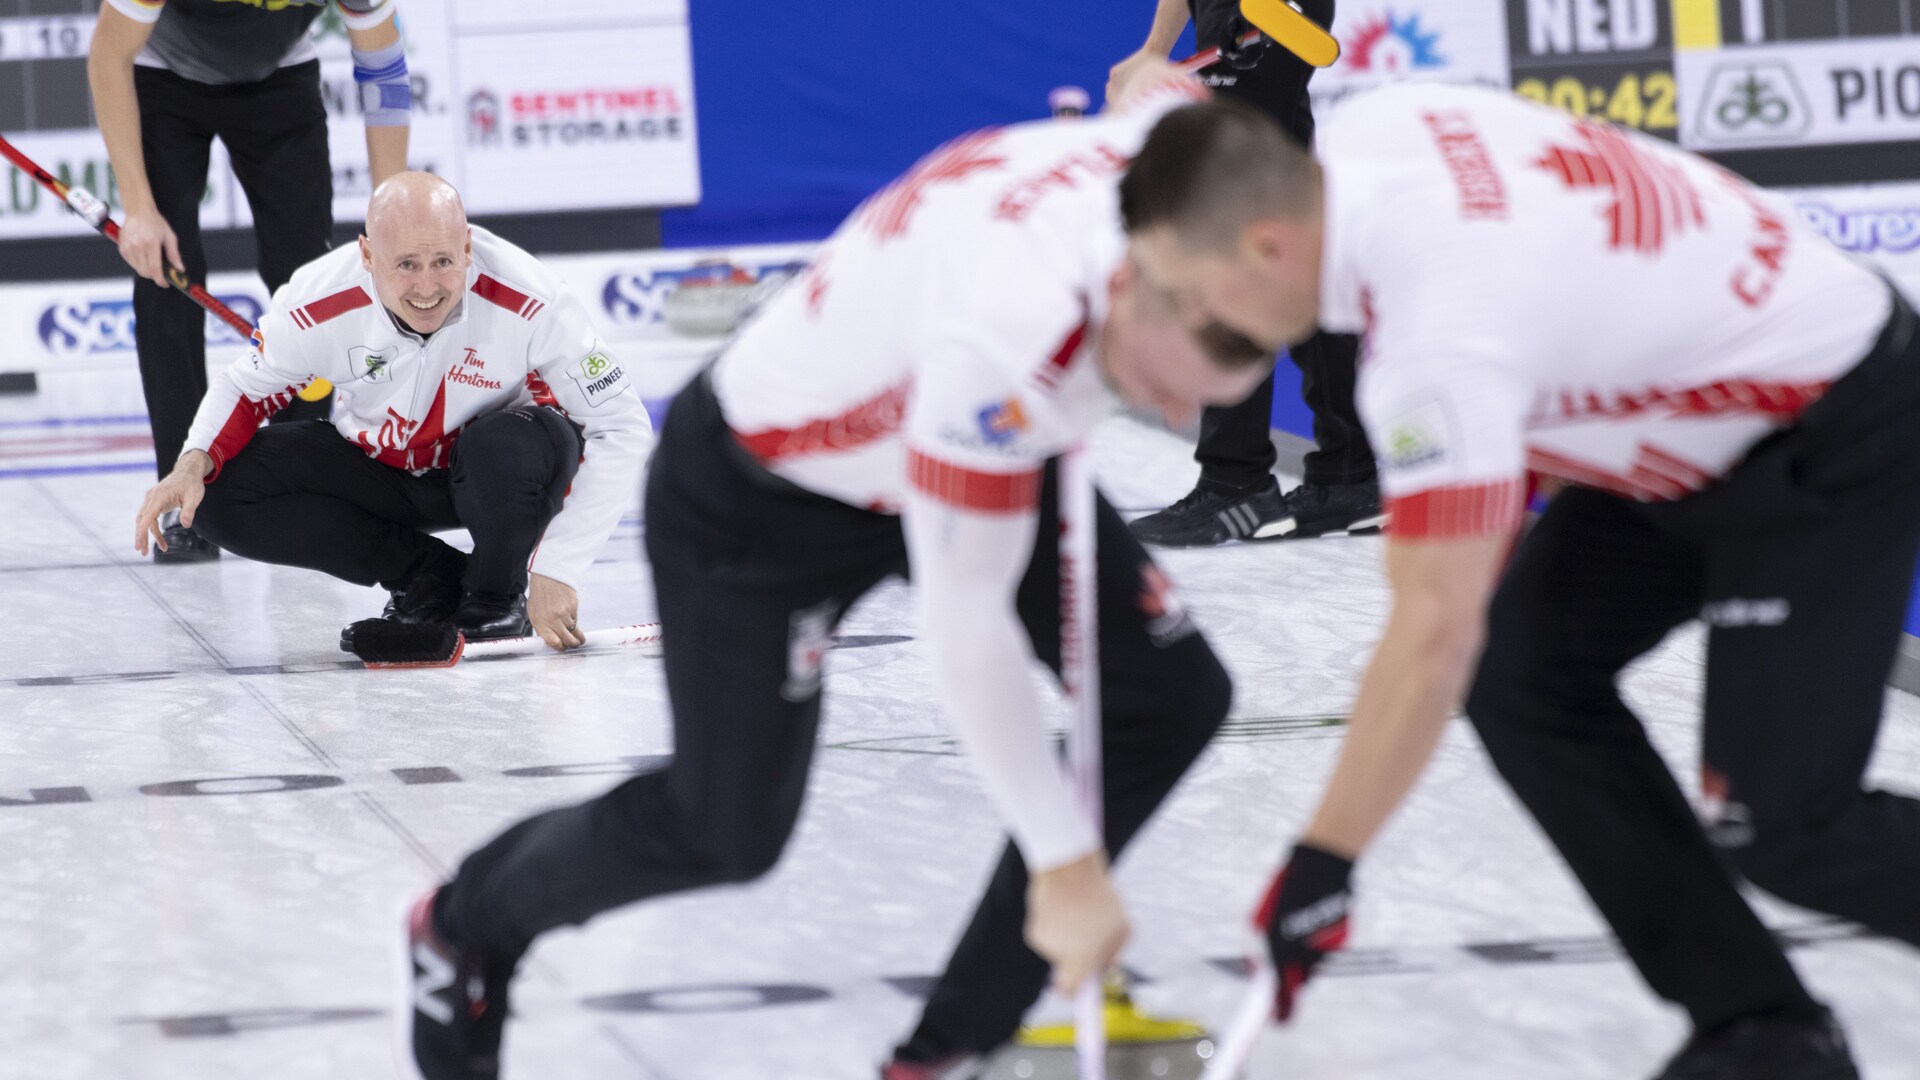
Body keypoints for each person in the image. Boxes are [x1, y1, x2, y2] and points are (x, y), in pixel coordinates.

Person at [397, 79, 1270, 1080]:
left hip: (949, 439)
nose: (1163, 409)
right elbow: (964, 628)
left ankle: (945, 1051)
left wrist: (1162, 78)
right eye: (1171, 388)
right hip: (767, 496)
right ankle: (462, 925)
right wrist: (1069, 864)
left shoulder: (1174, 168)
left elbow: (1157, 105)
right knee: (722, 829)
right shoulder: (1010, 326)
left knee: (1169, 690)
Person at [1121, 77, 1920, 1078]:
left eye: (1194, 296)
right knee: (1524, 675)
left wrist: (1323, 862)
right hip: (1685, 409)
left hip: (1829, 414)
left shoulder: (1435, 341)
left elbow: (1431, 632)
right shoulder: (1375, 128)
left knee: (1789, 826)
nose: (1196, 322)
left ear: (1266, 248)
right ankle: (1763, 1027)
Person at [132, 173, 650, 650]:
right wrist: (190, 464)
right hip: (382, 472)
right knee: (217, 495)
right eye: (406, 265)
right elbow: (245, 389)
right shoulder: (316, 299)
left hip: (499, 472)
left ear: (467, 246)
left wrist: (558, 567)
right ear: (366, 255)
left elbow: (621, 425)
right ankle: (429, 575)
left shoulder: (533, 297)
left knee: (503, 446)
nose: (427, 288)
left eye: (444, 262)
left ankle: (495, 592)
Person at [90, 0, 412, 562]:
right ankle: (182, 496)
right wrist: (138, 207)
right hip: (163, 78)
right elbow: (109, 54)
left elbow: (382, 64)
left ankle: (299, 489)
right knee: (166, 278)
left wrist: (393, 214)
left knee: (310, 284)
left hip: (280, 78)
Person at [1109, 0, 1381, 547]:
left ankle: (1237, 484)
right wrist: (1156, 47)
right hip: (1237, 14)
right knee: (1284, 218)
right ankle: (1351, 475)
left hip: (1272, 11)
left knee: (1231, 222)